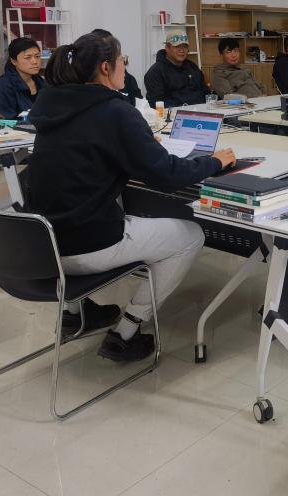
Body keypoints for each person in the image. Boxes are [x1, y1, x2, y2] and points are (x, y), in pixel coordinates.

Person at [25, 32, 235, 361]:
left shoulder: (51, 104)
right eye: (122, 61)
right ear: (106, 67)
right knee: (191, 235)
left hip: (40, 243)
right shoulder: (114, 110)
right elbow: (166, 176)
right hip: (86, 244)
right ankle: (126, 331)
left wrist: (139, 143)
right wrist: (215, 162)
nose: (125, 67)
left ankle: (75, 312)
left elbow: (88, 148)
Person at [143, 29, 207, 107]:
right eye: (177, 46)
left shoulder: (192, 67)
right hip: (172, 113)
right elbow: (157, 103)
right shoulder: (155, 72)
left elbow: (205, 93)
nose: (182, 50)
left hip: (200, 111)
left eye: (185, 46)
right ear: (167, 48)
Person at [0, 37, 45, 119]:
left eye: (37, 56)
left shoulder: (42, 82)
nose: (35, 61)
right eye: (28, 57)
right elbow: (1, 121)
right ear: (13, 61)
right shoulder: (3, 86)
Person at [91, 28, 142, 106]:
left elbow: (140, 103)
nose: (124, 65)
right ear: (105, 67)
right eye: (121, 59)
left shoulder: (128, 79)